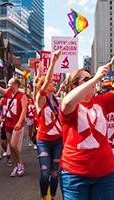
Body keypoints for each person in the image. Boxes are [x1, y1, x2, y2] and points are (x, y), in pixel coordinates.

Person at [59, 39, 114, 200]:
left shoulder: (101, 101)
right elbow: (68, 102)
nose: (91, 80)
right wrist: (96, 78)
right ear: (74, 86)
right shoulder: (71, 107)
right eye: (85, 79)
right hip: (74, 175)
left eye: (90, 77)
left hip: (105, 173)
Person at [35, 50, 62, 200]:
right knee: (45, 173)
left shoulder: (58, 101)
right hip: (43, 141)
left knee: (55, 173)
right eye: (49, 82)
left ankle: (51, 196)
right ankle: (44, 195)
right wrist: (53, 62)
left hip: (58, 140)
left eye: (52, 82)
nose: (52, 83)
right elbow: (45, 83)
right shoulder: (40, 100)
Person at [0, 77, 28, 177]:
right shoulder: (8, 93)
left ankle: (20, 164)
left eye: (10, 84)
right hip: (8, 123)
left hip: (16, 124)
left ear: (15, 84)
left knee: (14, 145)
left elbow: (24, 110)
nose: (8, 86)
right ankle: (16, 165)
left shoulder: (22, 96)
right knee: (10, 145)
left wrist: (19, 122)